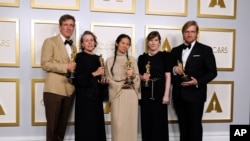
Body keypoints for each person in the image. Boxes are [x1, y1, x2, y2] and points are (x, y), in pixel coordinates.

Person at [171, 20, 217, 141]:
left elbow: (213, 72)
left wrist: (198, 82)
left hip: (196, 95)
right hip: (179, 95)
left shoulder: (205, 50)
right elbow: (169, 70)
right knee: (183, 127)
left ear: (197, 33)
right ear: (183, 33)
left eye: (192, 31)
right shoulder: (175, 50)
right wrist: (175, 69)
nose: (189, 34)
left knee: (195, 128)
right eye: (187, 31)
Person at [40, 14, 76, 141]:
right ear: (60, 27)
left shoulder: (73, 47)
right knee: (52, 128)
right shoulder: (50, 41)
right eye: (65, 24)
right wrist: (66, 67)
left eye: (71, 25)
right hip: (54, 90)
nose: (68, 28)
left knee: (61, 129)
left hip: (69, 91)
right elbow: (45, 64)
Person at [105, 34, 141, 141]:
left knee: (131, 125)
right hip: (117, 94)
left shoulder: (133, 60)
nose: (125, 46)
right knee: (118, 126)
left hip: (131, 95)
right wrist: (120, 85)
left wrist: (133, 75)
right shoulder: (109, 60)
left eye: (128, 44)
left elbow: (137, 77)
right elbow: (108, 79)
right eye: (123, 43)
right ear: (117, 43)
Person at [73, 31, 107, 141]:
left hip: (96, 98)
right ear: (82, 44)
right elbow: (77, 80)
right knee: (85, 126)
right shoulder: (78, 57)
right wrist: (95, 73)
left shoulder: (99, 59)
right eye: (86, 41)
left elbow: (99, 81)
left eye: (91, 40)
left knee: (97, 126)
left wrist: (103, 82)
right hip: (84, 99)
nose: (89, 43)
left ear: (95, 43)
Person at [138, 31, 171, 141]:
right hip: (146, 91)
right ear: (148, 42)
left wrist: (166, 95)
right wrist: (143, 77)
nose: (153, 43)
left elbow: (168, 76)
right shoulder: (142, 58)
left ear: (159, 42)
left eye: (156, 40)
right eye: (151, 40)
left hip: (160, 91)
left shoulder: (165, 56)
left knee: (159, 122)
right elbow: (138, 74)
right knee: (146, 121)